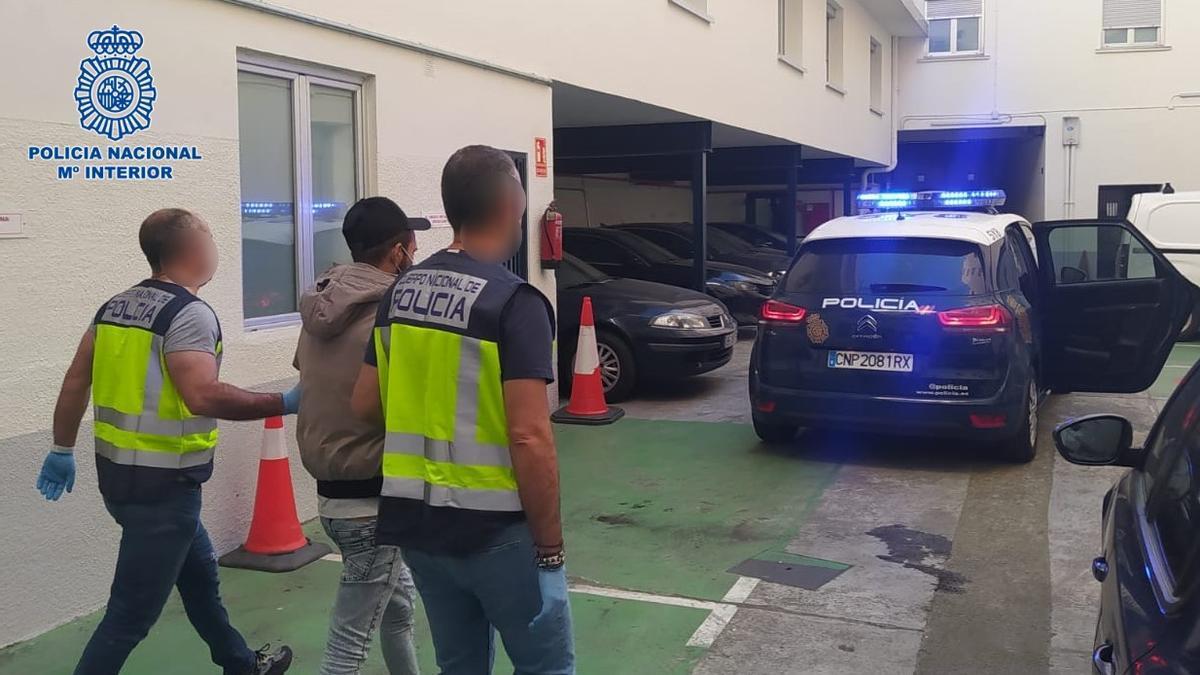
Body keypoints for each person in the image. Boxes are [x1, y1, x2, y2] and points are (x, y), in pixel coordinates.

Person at [37, 208, 299, 675]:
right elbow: (202, 395)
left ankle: (241, 665)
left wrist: (61, 449)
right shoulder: (189, 314)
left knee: (201, 584)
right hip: (165, 489)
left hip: (120, 480)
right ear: (194, 249)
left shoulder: (115, 306)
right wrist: (283, 401)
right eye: (212, 238)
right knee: (128, 618)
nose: (216, 247)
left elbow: (76, 382)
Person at [351, 145, 575, 675]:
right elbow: (530, 438)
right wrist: (550, 554)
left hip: (420, 530)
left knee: (459, 665)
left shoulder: (400, 293)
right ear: (509, 207)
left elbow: (364, 404)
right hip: (496, 534)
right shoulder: (513, 302)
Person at [294, 197, 430, 675]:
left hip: (331, 496)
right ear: (398, 252)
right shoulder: (395, 312)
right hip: (372, 499)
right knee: (348, 644)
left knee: (398, 607)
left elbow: (307, 378)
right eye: (412, 244)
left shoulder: (321, 302)